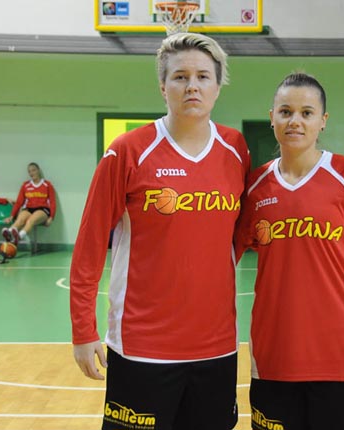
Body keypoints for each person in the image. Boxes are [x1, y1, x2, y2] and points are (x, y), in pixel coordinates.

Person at [70, 32, 250, 430]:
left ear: (218, 86)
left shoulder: (236, 149)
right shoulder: (128, 150)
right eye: (180, 77)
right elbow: (89, 246)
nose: (192, 86)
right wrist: (83, 330)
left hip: (217, 346)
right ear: (163, 87)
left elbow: (236, 236)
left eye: (203, 77)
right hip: (142, 345)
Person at [235, 72, 344, 430]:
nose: (295, 121)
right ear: (272, 117)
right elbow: (219, 260)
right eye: (286, 112)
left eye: (307, 113)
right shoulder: (256, 187)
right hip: (274, 357)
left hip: (342, 358)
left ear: (322, 121)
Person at [1, 162, 56, 246]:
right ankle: (9, 232)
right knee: (20, 220)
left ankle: (19, 237)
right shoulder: (25, 185)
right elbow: (19, 202)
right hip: (29, 208)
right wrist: (12, 216)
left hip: (42, 209)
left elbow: (52, 202)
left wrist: (51, 218)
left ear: (38, 170)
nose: (31, 173)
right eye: (29, 171)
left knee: (31, 220)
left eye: (33, 170)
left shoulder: (47, 185)